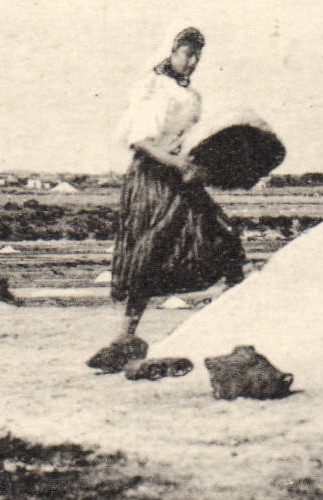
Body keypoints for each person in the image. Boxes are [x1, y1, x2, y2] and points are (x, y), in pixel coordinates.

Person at [88, 27, 246, 372]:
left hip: (180, 175)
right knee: (152, 247)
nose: (191, 62)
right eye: (186, 54)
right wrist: (177, 163)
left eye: (197, 57)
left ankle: (239, 314)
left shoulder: (191, 96)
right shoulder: (155, 91)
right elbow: (141, 140)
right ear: (169, 52)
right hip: (153, 178)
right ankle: (125, 336)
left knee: (221, 233)